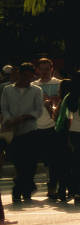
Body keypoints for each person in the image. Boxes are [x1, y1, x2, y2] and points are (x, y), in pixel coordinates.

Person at [4, 62, 50, 209]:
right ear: (21, 74)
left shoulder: (36, 90)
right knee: (19, 163)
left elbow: (38, 110)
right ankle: (24, 188)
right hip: (13, 131)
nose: (29, 78)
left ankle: (22, 191)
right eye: (26, 75)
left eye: (31, 75)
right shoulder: (7, 90)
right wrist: (11, 119)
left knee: (30, 163)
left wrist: (27, 117)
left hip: (30, 130)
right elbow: (4, 108)